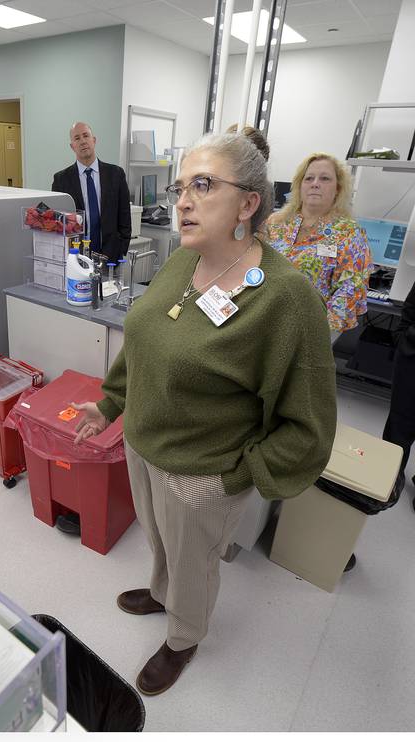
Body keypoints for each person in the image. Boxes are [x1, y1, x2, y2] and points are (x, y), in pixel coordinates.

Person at [71, 132, 337, 696]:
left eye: (204, 185)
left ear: (248, 204)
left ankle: (183, 635)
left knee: (195, 561)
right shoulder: (182, 261)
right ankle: (162, 593)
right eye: (180, 186)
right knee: (160, 540)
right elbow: (143, 341)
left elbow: (309, 430)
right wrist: (111, 403)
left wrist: (231, 480)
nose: (183, 201)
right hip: (143, 445)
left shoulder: (286, 299)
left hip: (202, 470)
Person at [263, 153, 371, 335]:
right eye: (309, 178)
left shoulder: (348, 233)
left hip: (308, 330)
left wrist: (318, 335)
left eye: (325, 178)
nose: (315, 183)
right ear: (299, 185)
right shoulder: (275, 223)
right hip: (261, 317)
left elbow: (351, 290)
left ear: (337, 188)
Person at [51, 122, 131, 263]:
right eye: (77, 138)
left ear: (94, 140)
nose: (82, 141)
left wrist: (121, 247)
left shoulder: (115, 174)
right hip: (76, 257)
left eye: (86, 136)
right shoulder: (61, 180)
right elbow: (58, 222)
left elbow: (124, 215)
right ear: (72, 146)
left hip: (110, 256)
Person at [382, 278, 415, 510]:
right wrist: (403, 336)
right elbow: (411, 306)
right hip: (414, 355)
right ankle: (388, 478)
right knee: (401, 420)